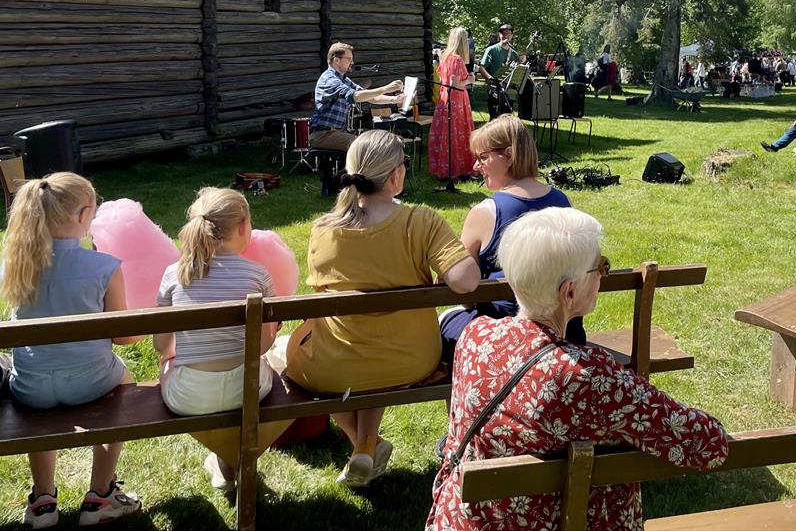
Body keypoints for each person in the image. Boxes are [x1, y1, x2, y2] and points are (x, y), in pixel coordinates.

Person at [426, 208, 730, 530]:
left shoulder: (475, 337)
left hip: (461, 520)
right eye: (602, 266)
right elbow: (705, 442)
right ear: (569, 292)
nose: (604, 274)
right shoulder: (586, 376)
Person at [285, 130, 480, 488]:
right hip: (411, 357)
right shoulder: (422, 221)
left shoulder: (323, 229)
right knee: (372, 359)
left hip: (334, 365)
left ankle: (358, 439)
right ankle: (366, 442)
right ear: (396, 176)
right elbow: (467, 281)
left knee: (294, 352)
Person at [1, 173, 143, 528]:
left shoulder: (15, 266)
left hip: (30, 389)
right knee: (126, 382)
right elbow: (123, 337)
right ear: (82, 218)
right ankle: (101, 494)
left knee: (35, 395)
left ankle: (43, 502)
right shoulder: (105, 267)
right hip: (91, 383)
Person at [154, 188, 285, 492]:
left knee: (169, 367)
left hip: (188, 397)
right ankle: (229, 462)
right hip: (250, 389)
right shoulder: (258, 274)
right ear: (242, 226)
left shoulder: (174, 274)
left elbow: (162, 347)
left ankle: (224, 462)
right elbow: (264, 346)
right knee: (266, 361)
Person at [438, 115, 579, 362]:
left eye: (483, 157)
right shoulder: (564, 202)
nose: (475, 166)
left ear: (510, 155)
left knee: (445, 323)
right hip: (568, 334)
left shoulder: (485, 212)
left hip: (506, 338)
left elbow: (462, 290)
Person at [309, 42, 404, 151]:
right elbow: (356, 96)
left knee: (379, 139)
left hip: (337, 132)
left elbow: (370, 97)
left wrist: (394, 99)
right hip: (322, 135)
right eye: (349, 59)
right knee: (368, 146)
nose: (352, 62)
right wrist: (387, 88)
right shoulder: (329, 79)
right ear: (336, 60)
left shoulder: (343, 79)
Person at [429, 27, 477, 181]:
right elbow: (455, 84)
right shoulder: (457, 59)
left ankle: (443, 168)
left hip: (445, 98)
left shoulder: (445, 56)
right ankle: (459, 169)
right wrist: (469, 80)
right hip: (457, 100)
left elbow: (443, 80)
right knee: (458, 132)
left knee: (446, 133)